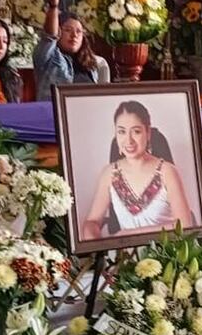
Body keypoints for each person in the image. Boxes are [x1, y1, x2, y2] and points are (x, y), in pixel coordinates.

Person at [82, 101, 193, 240]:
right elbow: (92, 221)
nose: (128, 140)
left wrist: (128, 234)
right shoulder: (109, 173)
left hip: (164, 254)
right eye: (122, 132)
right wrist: (94, 242)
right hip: (123, 257)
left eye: (136, 131)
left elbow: (185, 225)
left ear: (148, 133)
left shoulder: (167, 172)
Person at [33, 0, 109, 101]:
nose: (74, 35)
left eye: (79, 31)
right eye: (68, 30)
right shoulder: (48, 57)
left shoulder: (90, 64)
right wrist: (53, 6)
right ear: (59, 31)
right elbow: (49, 36)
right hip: (54, 115)